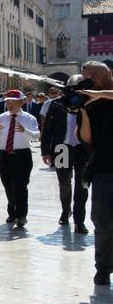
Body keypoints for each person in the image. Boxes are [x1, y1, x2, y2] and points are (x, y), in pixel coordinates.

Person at [77, 62, 113, 286]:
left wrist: (99, 94)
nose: (91, 81)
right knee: (102, 222)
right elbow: (87, 139)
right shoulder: (89, 102)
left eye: (94, 77)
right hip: (103, 168)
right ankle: (103, 268)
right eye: (87, 78)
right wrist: (83, 112)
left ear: (106, 74)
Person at [44, 74, 92, 233]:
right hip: (62, 148)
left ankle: (79, 220)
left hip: (82, 148)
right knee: (64, 182)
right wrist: (45, 151)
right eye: (73, 86)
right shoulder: (56, 103)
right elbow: (48, 130)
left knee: (82, 185)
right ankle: (66, 211)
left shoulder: (89, 102)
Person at [0, 89, 41, 229]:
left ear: (21, 102)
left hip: (22, 155)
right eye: (8, 101)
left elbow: (36, 135)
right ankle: (12, 212)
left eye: (13, 102)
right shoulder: (1, 117)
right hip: (5, 155)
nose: (10, 105)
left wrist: (24, 130)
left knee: (21, 186)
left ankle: (21, 215)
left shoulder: (29, 118)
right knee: (8, 186)